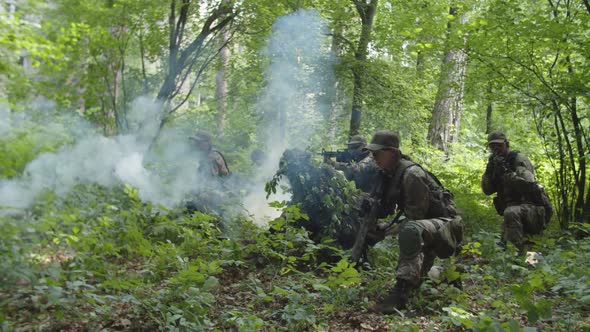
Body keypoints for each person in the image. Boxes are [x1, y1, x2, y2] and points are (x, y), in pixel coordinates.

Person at [364, 130, 463, 313]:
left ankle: (400, 292)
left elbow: (415, 218)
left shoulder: (411, 174)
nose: (374, 156)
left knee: (409, 230)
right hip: (426, 227)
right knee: (421, 279)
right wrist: (384, 226)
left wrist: (387, 231)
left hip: (446, 226)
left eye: (378, 153)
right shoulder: (391, 173)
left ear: (392, 152)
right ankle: (449, 274)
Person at [481, 131, 548, 254]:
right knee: (505, 244)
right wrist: (489, 173)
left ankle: (522, 257)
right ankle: (522, 261)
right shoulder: (494, 164)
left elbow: (530, 185)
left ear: (506, 144)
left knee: (511, 215)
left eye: (499, 145)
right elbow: (487, 191)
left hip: (532, 208)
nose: (496, 149)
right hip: (514, 210)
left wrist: (509, 175)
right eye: (492, 146)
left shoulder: (518, 160)